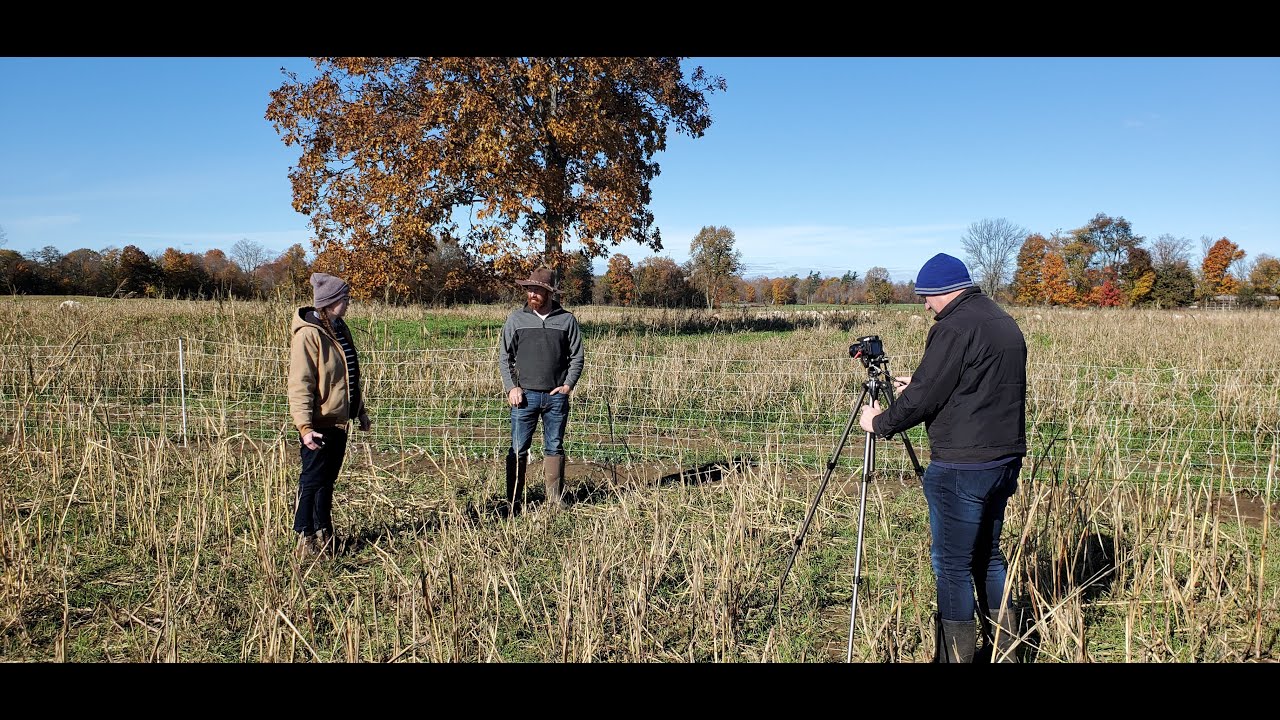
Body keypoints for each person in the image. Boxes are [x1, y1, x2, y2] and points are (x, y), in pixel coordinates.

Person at [857, 253, 1027, 663]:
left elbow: (920, 401)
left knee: (951, 565)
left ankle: (955, 656)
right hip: (1003, 459)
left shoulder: (953, 327)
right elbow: (975, 384)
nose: (926, 306)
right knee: (987, 556)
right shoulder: (1001, 321)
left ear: (941, 292)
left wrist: (878, 422)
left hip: (961, 466)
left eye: (926, 297)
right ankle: (1008, 651)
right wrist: (920, 383)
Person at [287, 272, 372, 558]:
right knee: (312, 480)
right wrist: (304, 426)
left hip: (339, 420)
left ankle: (324, 532)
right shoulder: (309, 335)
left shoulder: (338, 328)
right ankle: (304, 535)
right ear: (332, 301)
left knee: (327, 480)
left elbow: (350, 376)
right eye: (345, 298)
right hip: (319, 422)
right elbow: (301, 383)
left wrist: (359, 412)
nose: (348, 303)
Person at [499, 266, 585, 513]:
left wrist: (568, 385)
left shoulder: (567, 320)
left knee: (554, 446)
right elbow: (505, 357)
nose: (532, 294)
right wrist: (511, 388)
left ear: (549, 293)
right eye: (529, 290)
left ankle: (555, 501)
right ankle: (514, 502)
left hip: (555, 398)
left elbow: (577, 357)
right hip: (523, 398)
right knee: (517, 449)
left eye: (537, 290)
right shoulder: (516, 320)